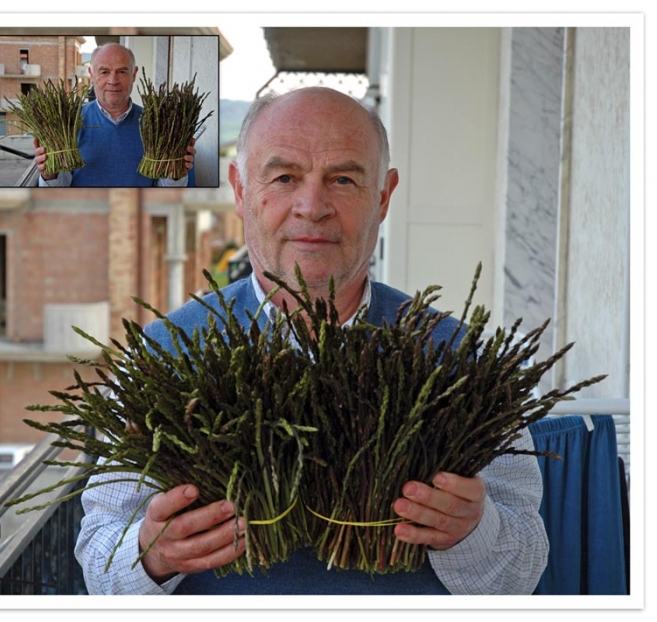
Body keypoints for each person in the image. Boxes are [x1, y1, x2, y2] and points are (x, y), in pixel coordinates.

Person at [75, 87, 549, 595]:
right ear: (239, 188)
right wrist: (152, 554)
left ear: (384, 197)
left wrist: (473, 532)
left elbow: (522, 571)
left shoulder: (466, 363)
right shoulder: (161, 356)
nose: (312, 206)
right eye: (284, 178)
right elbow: (100, 558)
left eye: (342, 179)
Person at [34, 42, 196, 188]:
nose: (113, 80)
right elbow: (59, 190)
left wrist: (175, 174)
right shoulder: (66, 123)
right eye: (104, 71)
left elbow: (165, 194)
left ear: (134, 74)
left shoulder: (159, 125)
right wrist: (49, 175)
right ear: (91, 74)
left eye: (122, 72)